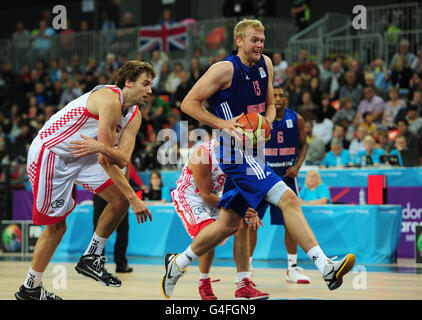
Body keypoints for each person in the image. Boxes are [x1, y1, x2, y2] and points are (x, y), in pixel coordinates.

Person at [161, 19, 355, 299]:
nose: (259, 45)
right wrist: (222, 123)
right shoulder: (224, 69)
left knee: (229, 224)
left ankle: (178, 264)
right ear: (239, 41)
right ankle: (325, 267)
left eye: (262, 40)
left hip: (253, 149)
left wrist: (266, 124)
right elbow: (188, 103)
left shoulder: (266, 64)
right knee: (288, 198)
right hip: (232, 153)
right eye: (253, 40)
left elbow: (271, 106)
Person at [15, 60, 155, 300]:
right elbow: (107, 160)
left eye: (151, 85)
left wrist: (103, 148)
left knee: (119, 199)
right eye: (146, 84)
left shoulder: (135, 116)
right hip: (53, 154)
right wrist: (135, 198)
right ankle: (30, 287)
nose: (150, 91)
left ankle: (92, 256)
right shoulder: (110, 100)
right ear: (129, 82)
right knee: (57, 227)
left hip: (85, 156)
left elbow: (122, 160)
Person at [172, 138, 268, 300]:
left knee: (241, 226)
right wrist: (241, 209)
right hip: (192, 196)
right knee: (209, 230)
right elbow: (206, 195)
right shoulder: (202, 153)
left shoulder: (242, 154)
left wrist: (250, 209)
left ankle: (243, 285)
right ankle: (204, 283)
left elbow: (246, 188)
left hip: (218, 197)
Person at [250, 86, 311, 284]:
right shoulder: (259, 119)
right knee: (251, 223)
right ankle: (247, 267)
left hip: (286, 177)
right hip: (261, 178)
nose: (278, 98)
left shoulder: (297, 119)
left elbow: (304, 144)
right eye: (274, 95)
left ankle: (292, 269)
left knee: (291, 224)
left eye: (281, 95)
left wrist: (297, 165)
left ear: (286, 98)